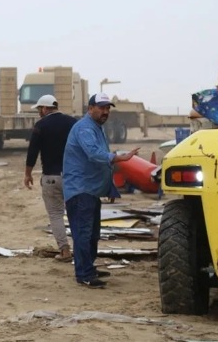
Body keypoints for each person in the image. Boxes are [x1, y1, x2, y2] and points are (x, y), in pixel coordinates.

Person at [63, 92, 139, 289]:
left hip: (91, 190)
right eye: (101, 108)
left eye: (107, 108)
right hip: (80, 191)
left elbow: (102, 164)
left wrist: (109, 188)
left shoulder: (97, 128)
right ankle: (84, 274)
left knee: (92, 234)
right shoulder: (85, 129)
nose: (105, 112)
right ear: (90, 109)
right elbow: (95, 155)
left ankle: (88, 268)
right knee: (83, 233)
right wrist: (118, 157)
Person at [24, 94, 76, 262]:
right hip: (73, 176)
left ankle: (65, 250)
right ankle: (81, 252)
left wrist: (28, 174)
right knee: (76, 215)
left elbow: (33, 151)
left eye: (39, 109)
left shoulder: (41, 125)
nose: (39, 112)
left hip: (51, 178)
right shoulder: (73, 122)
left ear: (45, 108)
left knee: (55, 215)